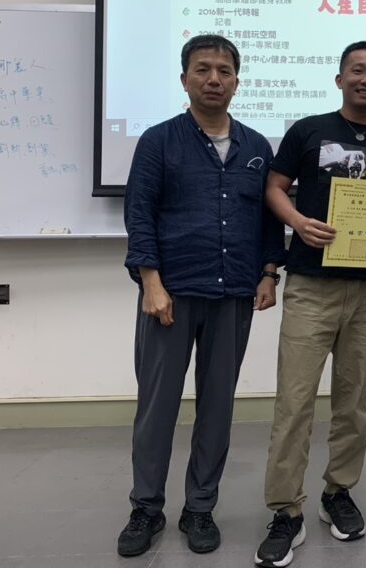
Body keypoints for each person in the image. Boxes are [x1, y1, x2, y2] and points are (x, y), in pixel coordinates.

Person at [119, 34, 286, 557]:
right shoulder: (158, 141)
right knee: (157, 408)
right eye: (203, 69)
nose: (214, 79)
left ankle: (199, 508)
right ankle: (146, 507)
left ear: (237, 81)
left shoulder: (256, 147)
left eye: (224, 71)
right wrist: (150, 281)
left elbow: (267, 219)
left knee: (217, 407)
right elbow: (139, 213)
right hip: (170, 292)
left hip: (233, 291)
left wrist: (269, 273)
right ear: (185, 78)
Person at [255, 41, 366, 568]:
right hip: (310, 285)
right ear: (340, 78)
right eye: (358, 70)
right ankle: (286, 510)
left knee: (352, 402)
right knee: (295, 402)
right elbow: (274, 188)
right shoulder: (308, 131)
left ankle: (337, 492)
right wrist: (297, 223)